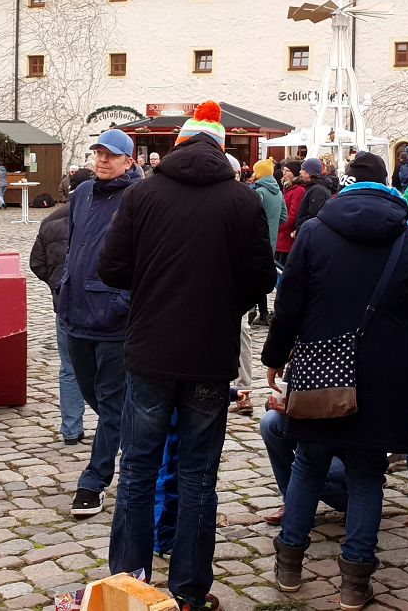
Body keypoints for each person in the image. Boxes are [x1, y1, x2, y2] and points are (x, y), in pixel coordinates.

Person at [98, 101, 277, 611]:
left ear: (177, 145)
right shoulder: (241, 200)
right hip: (209, 355)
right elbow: (262, 279)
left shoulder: (143, 194)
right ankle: (190, 591)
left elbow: (112, 267)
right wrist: (224, 303)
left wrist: (152, 287)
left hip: (151, 350)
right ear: (221, 149)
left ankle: (127, 584)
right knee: (199, 474)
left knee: (138, 469)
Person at [262, 151, 408, 609]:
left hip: (321, 366)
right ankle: (355, 582)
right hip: (385, 373)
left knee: (309, 464)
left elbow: (290, 304)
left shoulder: (315, 232)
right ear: (388, 186)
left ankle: (289, 564)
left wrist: (274, 357)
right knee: (367, 474)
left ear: (347, 185)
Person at [59, 129, 139, 518]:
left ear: (129, 161)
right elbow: (73, 245)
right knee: (96, 394)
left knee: (110, 401)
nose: (103, 160)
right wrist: (64, 286)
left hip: (113, 319)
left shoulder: (138, 198)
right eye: (99, 153)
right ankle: (134, 437)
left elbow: (144, 259)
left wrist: (123, 302)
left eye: (112, 155)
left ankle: (94, 480)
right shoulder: (83, 194)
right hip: (76, 313)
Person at [31, 167, 95, 446]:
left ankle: (71, 428)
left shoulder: (50, 220)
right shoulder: (102, 217)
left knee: (70, 368)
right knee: (107, 369)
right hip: (97, 304)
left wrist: (57, 284)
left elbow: (37, 263)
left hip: (65, 303)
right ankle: (112, 426)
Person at [248, 158, 285, 325]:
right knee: (261, 275)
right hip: (271, 241)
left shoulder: (259, 192)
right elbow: (284, 216)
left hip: (256, 240)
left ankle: (257, 310)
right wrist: (273, 227)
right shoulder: (279, 192)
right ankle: (261, 312)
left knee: (252, 275)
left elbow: (250, 215)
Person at [292, 158, 332, 238]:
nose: (300, 172)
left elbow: (313, 216)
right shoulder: (314, 187)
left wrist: (300, 231)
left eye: (303, 169)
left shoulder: (317, 190)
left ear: (310, 172)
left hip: (310, 234)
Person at [276, 161, 307, 265]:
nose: (284, 173)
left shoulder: (298, 190)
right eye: (283, 170)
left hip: (287, 238)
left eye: (287, 171)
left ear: (294, 173)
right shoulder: (287, 187)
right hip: (281, 236)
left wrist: (277, 228)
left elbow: (292, 216)